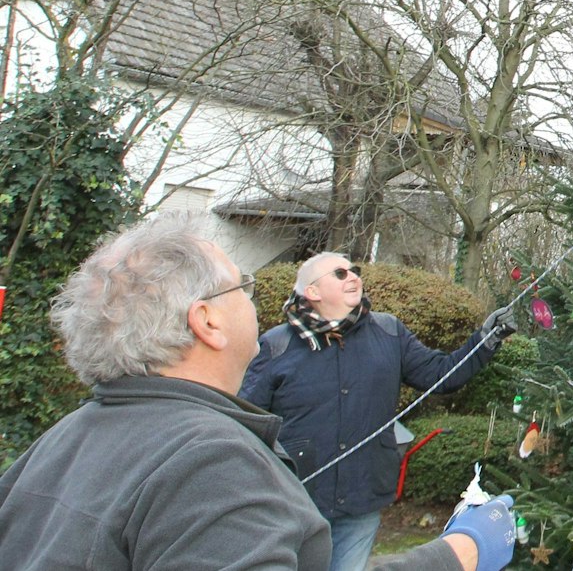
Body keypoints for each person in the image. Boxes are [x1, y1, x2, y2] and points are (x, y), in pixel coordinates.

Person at [0, 216, 513, 571]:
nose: (252, 295)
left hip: (360, 494)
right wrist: (460, 553)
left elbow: (442, 375)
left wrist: (486, 338)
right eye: (240, 285)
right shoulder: (214, 466)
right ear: (206, 322)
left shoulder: (55, 443)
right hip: (305, 495)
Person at [242, 252, 516, 571]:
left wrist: (485, 340)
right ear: (312, 292)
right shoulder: (276, 346)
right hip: (295, 505)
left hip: (363, 500)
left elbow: (440, 375)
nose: (354, 277)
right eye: (340, 274)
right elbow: (249, 421)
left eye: (355, 271)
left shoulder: (388, 332)